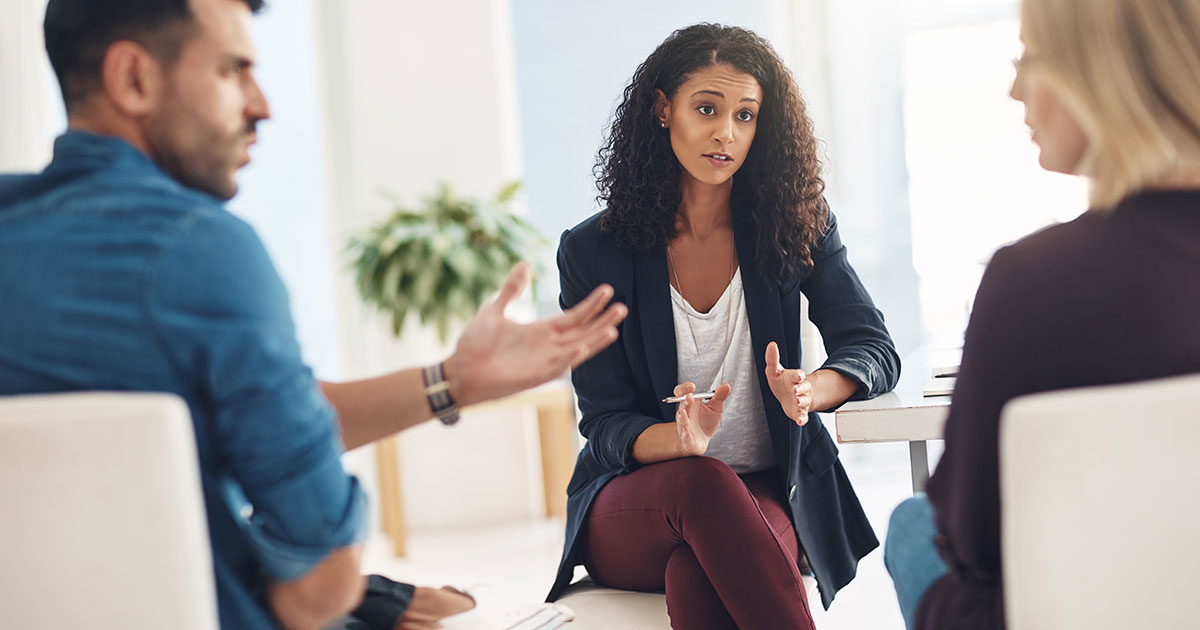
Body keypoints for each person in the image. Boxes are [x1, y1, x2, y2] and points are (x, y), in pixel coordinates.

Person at [0, 1, 628, 629]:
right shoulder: (196, 249)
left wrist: (452, 381)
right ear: (133, 78)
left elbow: (233, 420)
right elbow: (317, 589)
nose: (261, 104)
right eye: (232, 70)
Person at [544, 23, 901, 629]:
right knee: (703, 483)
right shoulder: (593, 252)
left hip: (763, 489)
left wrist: (815, 389)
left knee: (696, 574)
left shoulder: (795, 223)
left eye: (745, 115)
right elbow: (603, 424)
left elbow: (871, 346)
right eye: (707, 109)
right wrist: (678, 441)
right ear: (663, 109)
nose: (726, 133)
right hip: (638, 500)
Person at [883, 0, 1200, 628]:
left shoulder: (1030, 284)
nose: (1013, 88)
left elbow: (968, 539)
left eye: (1029, 57)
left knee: (912, 523)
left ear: (1098, 68)